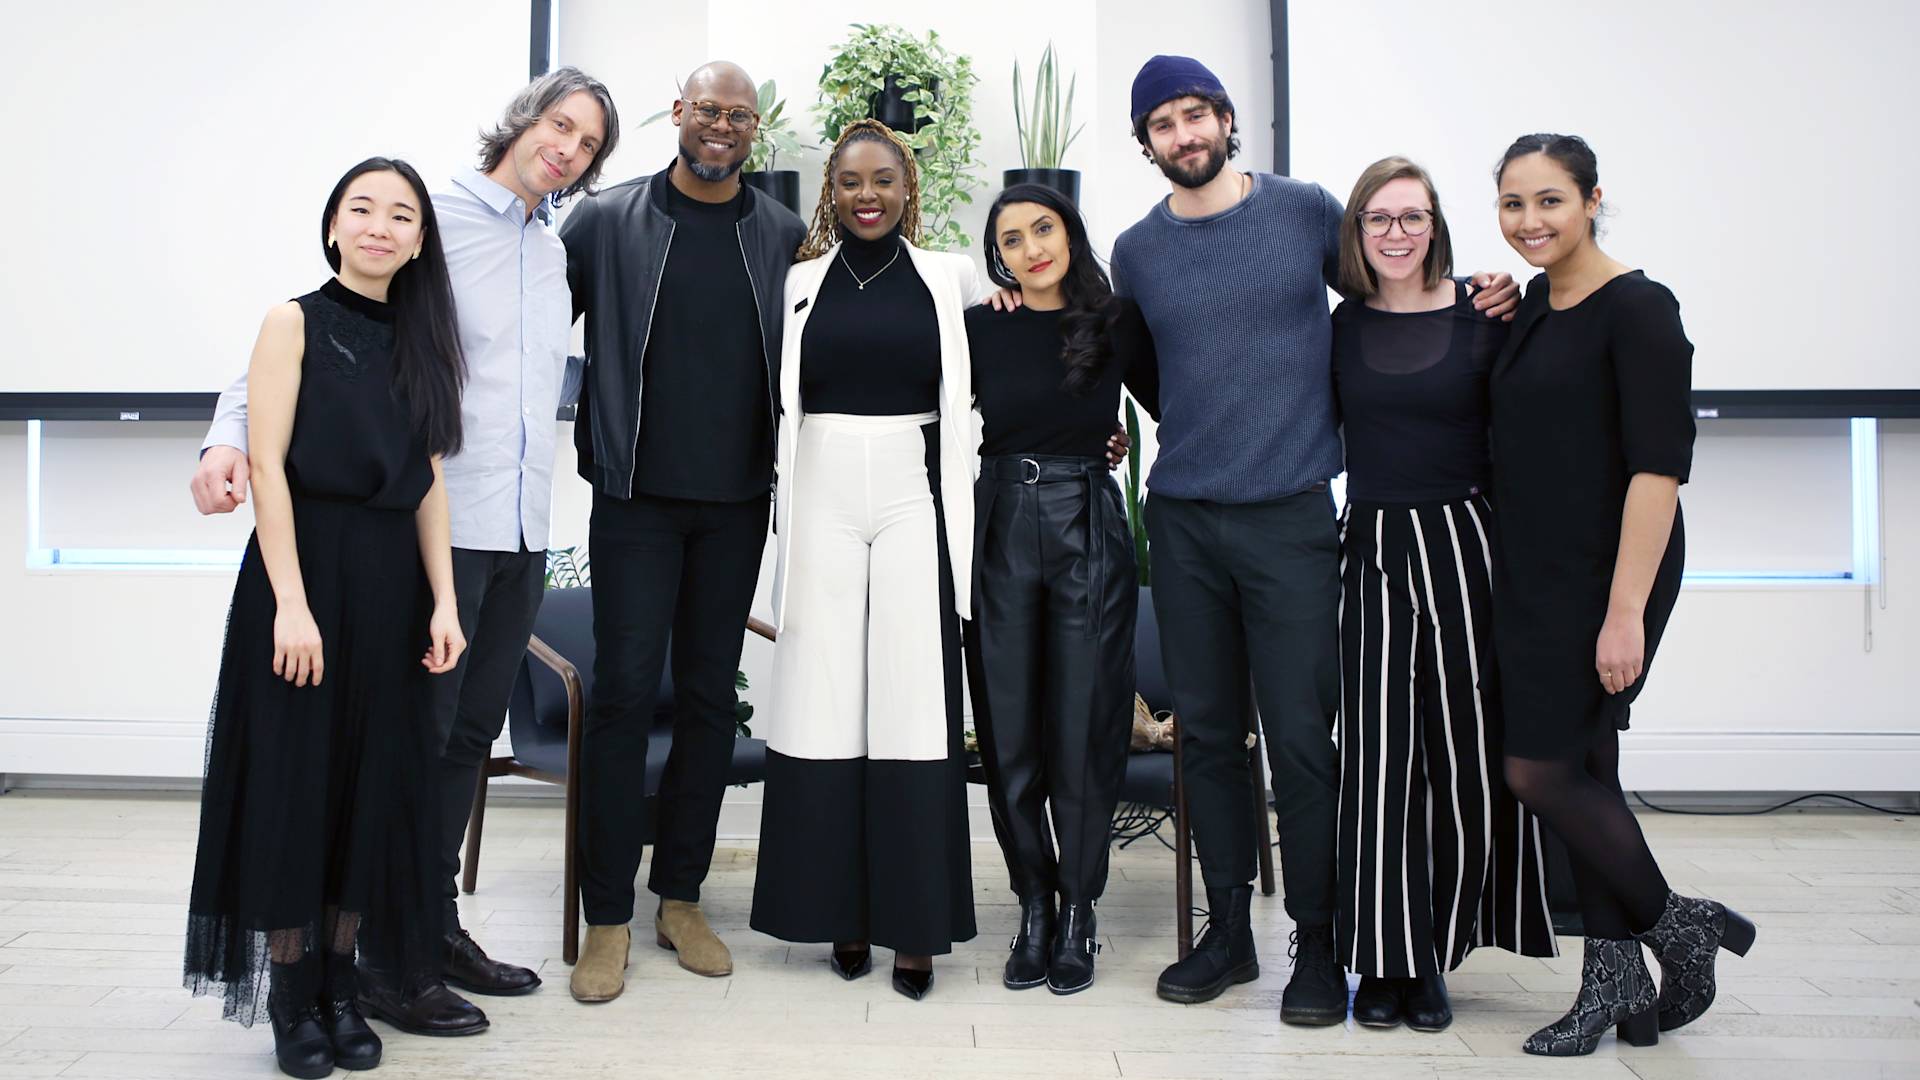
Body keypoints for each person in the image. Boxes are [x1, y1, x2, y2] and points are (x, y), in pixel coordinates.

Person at [192, 68, 620, 1030]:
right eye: (559, 124)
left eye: (588, 142)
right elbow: (321, 334)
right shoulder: (429, 220)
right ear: (522, 121)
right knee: (408, 747)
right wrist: (225, 435)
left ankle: (432, 926)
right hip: (436, 524)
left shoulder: (555, 253)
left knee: (467, 743)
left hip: (520, 532)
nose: (567, 148)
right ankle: (388, 958)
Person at [1107, 55, 1518, 1025]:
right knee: (1206, 737)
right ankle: (1228, 936)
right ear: (1148, 143)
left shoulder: (1304, 212)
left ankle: (1320, 943)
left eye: (1196, 114)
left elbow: (1395, 288)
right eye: (1163, 123)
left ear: (1227, 119)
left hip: (1291, 512)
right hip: (1186, 516)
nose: (1184, 135)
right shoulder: (1136, 250)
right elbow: (1151, 373)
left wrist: (1480, 289)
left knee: (1301, 740)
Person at [184, 157, 468, 1080]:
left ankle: (344, 986)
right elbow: (266, 467)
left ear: (420, 238)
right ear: (334, 226)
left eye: (400, 215)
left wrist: (447, 604)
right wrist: (294, 606)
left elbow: (428, 484)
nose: (381, 227)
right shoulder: (291, 321)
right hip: (300, 578)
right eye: (363, 209)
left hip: (393, 587)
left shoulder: (427, 340)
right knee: (296, 783)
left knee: (371, 784)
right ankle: (292, 995)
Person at [1488, 133, 1755, 1057]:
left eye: (1551, 201)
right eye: (1514, 204)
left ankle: (1684, 927)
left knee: (1540, 770)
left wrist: (1624, 612)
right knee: (1585, 772)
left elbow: (1657, 470)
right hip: (1531, 572)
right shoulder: (1531, 304)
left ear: (1594, 199)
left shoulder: (1639, 308)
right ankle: (1613, 986)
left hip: (1607, 577)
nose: (1531, 222)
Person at [558, 61, 806, 1003]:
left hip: (737, 502)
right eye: (709, 110)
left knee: (710, 698)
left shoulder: (781, 235)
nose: (723, 127)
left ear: (754, 131)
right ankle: (607, 918)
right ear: (678, 114)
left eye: (740, 116)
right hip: (633, 498)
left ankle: (681, 896)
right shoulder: (606, 220)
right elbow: (535, 325)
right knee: (623, 697)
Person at [749, 119, 982, 1001]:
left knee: (915, 701)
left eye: (883, 179)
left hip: (914, 485)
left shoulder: (950, 275)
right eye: (850, 181)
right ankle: (839, 910)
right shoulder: (801, 282)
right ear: (830, 191)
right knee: (822, 698)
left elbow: (1003, 368)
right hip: (821, 485)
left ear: (907, 185)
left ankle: (913, 929)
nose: (867, 194)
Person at [1328, 157, 1558, 1035]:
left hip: (1468, 545)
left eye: (1411, 217)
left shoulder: (1487, 312)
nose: (1395, 232)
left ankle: (1434, 956)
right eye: (1378, 218)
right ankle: (1380, 962)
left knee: (1463, 756)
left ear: (1436, 225)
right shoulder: (1340, 326)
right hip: (1375, 544)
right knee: (1380, 762)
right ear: (1357, 231)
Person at [963, 184, 1159, 995]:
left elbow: (1179, 400)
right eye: (1011, 239)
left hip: (1087, 521)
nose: (1031, 248)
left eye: (1043, 229)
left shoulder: (1116, 324)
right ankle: (1034, 905)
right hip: (1002, 520)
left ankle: (1080, 912)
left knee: (1084, 728)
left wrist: (1112, 439)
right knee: (1009, 734)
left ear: (1071, 234)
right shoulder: (980, 327)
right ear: (997, 257)